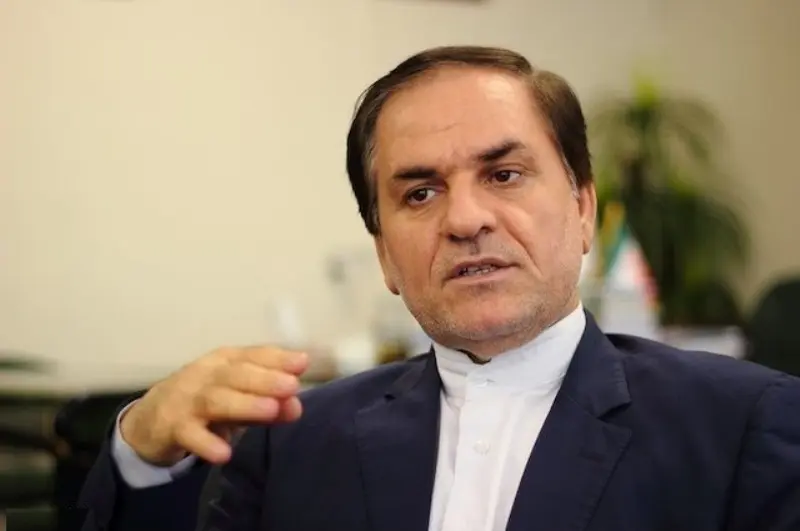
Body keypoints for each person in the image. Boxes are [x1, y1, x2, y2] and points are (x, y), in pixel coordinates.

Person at [77, 46, 800, 531]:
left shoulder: (743, 425)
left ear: (584, 208)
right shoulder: (293, 439)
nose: (465, 219)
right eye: (420, 193)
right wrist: (143, 452)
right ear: (385, 255)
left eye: (504, 174)